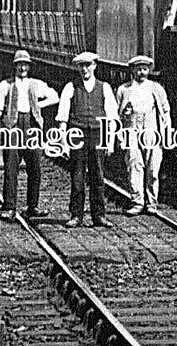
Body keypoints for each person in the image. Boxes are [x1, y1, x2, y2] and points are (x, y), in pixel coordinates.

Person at [0, 50, 59, 221]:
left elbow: (55, 97)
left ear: (29, 67)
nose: (22, 68)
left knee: (35, 167)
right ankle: (9, 206)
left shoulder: (36, 84)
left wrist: (37, 105)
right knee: (11, 167)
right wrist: (1, 127)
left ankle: (33, 206)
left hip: (31, 125)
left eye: (25, 65)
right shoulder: (5, 85)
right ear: (15, 66)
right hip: (13, 126)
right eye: (20, 65)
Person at [56, 51, 118, 228]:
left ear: (94, 66)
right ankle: (76, 215)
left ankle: (99, 216)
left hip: (98, 135)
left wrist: (109, 141)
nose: (84, 69)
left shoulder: (104, 87)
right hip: (77, 134)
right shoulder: (71, 87)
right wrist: (64, 142)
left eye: (88, 65)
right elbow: (63, 117)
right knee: (77, 176)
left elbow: (112, 117)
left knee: (98, 176)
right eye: (81, 66)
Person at [116, 55, 171, 215]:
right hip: (132, 129)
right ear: (132, 70)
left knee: (153, 168)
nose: (142, 72)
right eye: (139, 69)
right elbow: (117, 114)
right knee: (134, 165)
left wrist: (166, 133)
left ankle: (152, 202)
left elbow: (165, 111)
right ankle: (137, 202)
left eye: (145, 69)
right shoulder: (124, 89)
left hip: (151, 129)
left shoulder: (156, 88)